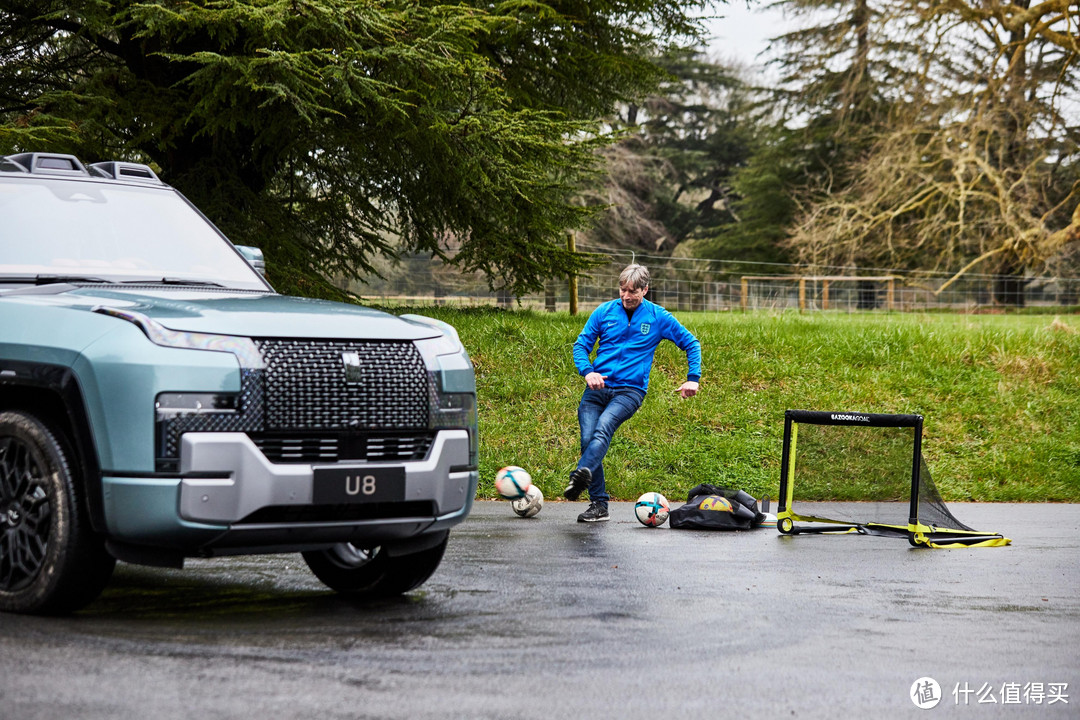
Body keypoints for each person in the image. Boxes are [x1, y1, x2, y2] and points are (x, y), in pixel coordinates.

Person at [566, 264, 701, 522]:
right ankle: (599, 505)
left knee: (603, 429)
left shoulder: (658, 317)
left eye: (633, 291)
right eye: (623, 289)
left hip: (630, 391)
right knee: (588, 440)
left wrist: (692, 379)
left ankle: (581, 474)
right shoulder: (604, 312)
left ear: (645, 289)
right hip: (597, 388)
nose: (627, 296)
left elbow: (691, 343)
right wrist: (587, 371)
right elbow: (581, 345)